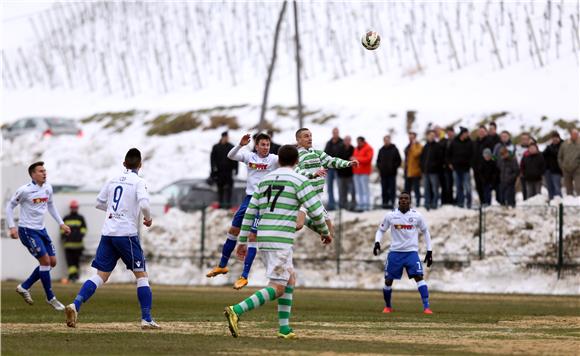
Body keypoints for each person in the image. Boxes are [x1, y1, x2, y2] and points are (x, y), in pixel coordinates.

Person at [224, 145, 331, 339]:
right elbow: (315, 211)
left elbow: (250, 212)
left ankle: (284, 329)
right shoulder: (300, 180)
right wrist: (325, 232)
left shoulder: (264, 180)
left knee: (290, 278)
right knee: (278, 286)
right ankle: (236, 310)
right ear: (297, 161)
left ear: (278, 160)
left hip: (264, 236)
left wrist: (242, 240)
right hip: (279, 240)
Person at [65, 148, 159, 329]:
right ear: (140, 165)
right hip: (126, 234)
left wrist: (113, 211)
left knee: (101, 276)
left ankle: (75, 304)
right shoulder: (139, 182)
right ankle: (146, 319)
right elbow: (145, 203)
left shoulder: (112, 180)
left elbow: (99, 203)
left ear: (124, 164)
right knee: (141, 275)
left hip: (108, 233)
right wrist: (147, 218)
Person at [206, 133, 279, 290]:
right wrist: (240, 144)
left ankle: (244, 276)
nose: (266, 147)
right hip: (249, 199)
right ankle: (222, 265)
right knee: (233, 229)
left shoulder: (273, 159)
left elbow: (289, 160)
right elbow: (230, 155)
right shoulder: (249, 156)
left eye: (268, 144)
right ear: (256, 145)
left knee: (252, 236)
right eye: (263, 144)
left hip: (263, 202)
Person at [6, 161, 71, 310]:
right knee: (45, 261)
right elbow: (10, 206)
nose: (44, 173)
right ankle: (50, 297)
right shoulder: (24, 190)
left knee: (52, 262)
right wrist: (12, 227)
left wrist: (61, 223)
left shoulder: (48, 188)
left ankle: (25, 286)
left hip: (41, 230)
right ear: (33, 175)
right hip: (27, 231)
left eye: (45, 170)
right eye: (41, 171)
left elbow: (51, 205)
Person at [373, 191, 433, 314]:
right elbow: (380, 230)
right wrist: (377, 242)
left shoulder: (417, 216)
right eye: (401, 198)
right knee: (388, 280)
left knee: (419, 277)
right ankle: (388, 306)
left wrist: (429, 250)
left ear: (410, 201)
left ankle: (426, 307)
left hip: (411, 253)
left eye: (406, 198)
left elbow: (425, 232)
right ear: (398, 201)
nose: (404, 200)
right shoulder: (391, 215)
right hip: (395, 252)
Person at [294, 128, 358, 234]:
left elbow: (332, 161)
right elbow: (296, 171)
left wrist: (348, 163)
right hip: (304, 196)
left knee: (330, 231)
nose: (310, 138)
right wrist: (312, 174)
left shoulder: (317, 153)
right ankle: (279, 228)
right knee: (299, 225)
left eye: (310, 135)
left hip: (316, 196)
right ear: (298, 139)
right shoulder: (296, 155)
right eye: (306, 136)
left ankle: (321, 235)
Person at [61, 200, 87, 283]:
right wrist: (64, 236)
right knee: (70, 263)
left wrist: (80, 235)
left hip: (78, 245)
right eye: (73, 208)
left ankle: (74, 277)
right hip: (68, 245)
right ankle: (73, 277)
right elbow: (62, 230)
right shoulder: (66, 218)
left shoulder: (80, 218)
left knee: (76, 262)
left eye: (75, 208)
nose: (74, 209)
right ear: (70, 208)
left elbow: (84, 228)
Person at [210, 131, 238, 209]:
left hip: (228, 172)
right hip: (219, 172)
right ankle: (220, 204)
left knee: (229, 188)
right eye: (225, 137)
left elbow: (235, 158)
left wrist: (236, 169)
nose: (226, 139)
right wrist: (213, 169)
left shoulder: (231, 146)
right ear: (222, 137)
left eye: (227, 137)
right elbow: (212, 159)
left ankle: (228, 205)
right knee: (220, 189)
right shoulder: (216, 147)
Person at [448, 127, 473, 208]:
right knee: (459, 187)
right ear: (462, 133)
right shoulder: (454, 141)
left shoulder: (470, 142)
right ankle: (460, 203)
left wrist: (470, 164)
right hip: (456, 168)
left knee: (468, 187)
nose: (467, 135)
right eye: (466, 133)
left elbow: (473, 155)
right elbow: (448, 153)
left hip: (466, 169)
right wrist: (450, 163)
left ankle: (469, 203)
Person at [420, 130, 444, 210]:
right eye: (430, 135)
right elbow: (422, 158)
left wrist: (435, 166)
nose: (431, 137)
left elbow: (440, 159)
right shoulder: (425, 146)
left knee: (435, 189)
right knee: (426, 189)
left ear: (435, 137)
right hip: (426, 172)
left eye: (433, 135)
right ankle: (427, 203)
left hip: (434, 172)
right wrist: (422, 167)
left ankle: (434, 204)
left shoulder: (438, 146)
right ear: (428, 136)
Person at [376, 135, 402, 209]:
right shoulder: (381, 150)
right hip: (383, 174)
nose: (386, 141)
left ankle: (392, 203)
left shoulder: (394, 149)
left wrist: (394, 167)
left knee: (392, 189)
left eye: (387, 140)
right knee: (384, 189)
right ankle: (385, 204)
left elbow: (399, 161)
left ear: (390, 140)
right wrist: (380, 167)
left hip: (392, 174)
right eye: (385, 140)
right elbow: (378, 161)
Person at [473, 126, 493, 205]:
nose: (481, 133)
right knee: (479, 187)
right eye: (479, 131)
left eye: (482, 131)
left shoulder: (489, 141)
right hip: (476, 169)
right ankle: (482, 203)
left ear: (486, 132)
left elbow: (492, 156)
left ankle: (487, 204)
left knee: (486, 187)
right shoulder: (475, 142)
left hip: (486, 169)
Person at [324, 128, 343, 211]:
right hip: (330, 169)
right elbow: (324, 154)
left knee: (340, 187)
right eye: (334, 132)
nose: (335, 134)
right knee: (329, 187)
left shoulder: (342, 142)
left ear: (338, 133)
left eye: (336, 132)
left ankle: (340, 204)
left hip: (338, 169)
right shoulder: (329, 143)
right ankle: (331, 204)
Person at [352, 136, 374, 211]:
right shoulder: (356, 148)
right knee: (359, 190)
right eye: (357, 142)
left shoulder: (369, 148)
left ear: (363, 141)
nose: (358, 143)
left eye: (359, 142)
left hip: (364, 172)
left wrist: (356, 159)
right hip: (356, 172)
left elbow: (368, 159)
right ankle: (360, 204)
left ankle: (367, 205)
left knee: (365, 189)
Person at [558, 128, 580, 196]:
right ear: (571, 135)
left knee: (578, 187)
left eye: (576, 134)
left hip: (577, 169)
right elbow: (559, 156)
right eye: (573, 134)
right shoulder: (565, 144)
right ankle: (570, 201)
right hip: (566, 169)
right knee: (568, 188)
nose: (575, 136)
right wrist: (562, 166)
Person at [337, 135, 357, 210]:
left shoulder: (353, 148)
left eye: (349, 140)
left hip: (350, 174)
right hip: (341, 174)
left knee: (352, 191)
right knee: (342, 191)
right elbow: (337, 159)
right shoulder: (340, 148)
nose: (347, 142)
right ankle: (342, 206)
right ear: (344, 141)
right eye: (346, 140)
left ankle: (353, 205)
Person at [404, 132, 423, 207]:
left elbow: (416, 154)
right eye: (410, 137)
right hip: (408, 171)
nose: (410, 139)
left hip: (415, 171)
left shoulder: (418, 145)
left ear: (415, 138)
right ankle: (407, 204)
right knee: (407, 190)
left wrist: (414, 145)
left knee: (416, 189)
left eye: (412, 137)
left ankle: (418, 203)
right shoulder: (408, 146)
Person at [543, 131, 563, 200]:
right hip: (548, 170)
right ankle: (551, 201)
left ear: (559, 138)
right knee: (549, 187)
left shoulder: (562, 145)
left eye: (556, 138)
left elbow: (558, 155)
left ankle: (559, 202)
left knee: (557, 187)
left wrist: (550, 150)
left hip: (557, 170)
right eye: (553, 138)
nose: (554, 140)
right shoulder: (550, 146)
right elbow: (543, 155)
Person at [440, 127, 455, 205]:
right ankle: (448, 201)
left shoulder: (456, 141)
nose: (449, 134)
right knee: (447, 185)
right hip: (446, 167)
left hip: (455, 166)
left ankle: (453, 201)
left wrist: (452, 163)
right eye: (448, 133)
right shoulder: (445, 142)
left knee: (454, 185)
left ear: (453, 133)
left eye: (450, 133)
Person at [515, 133, 532, 200]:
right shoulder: (517, 149)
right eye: (523, 139)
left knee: (531, 190)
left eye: (526, 139)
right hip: (521, 172)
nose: (524, 140)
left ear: (528, 140)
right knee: (524, 189)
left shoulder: (533, 148)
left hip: (531, 173)